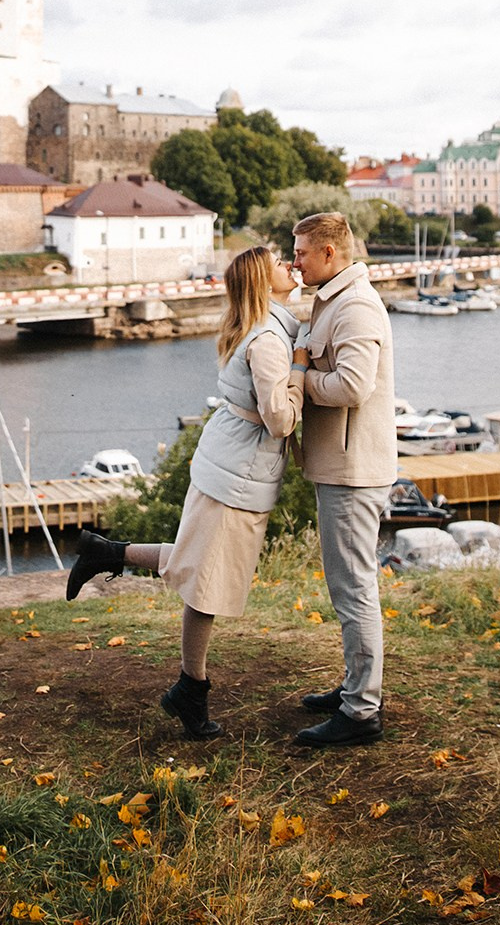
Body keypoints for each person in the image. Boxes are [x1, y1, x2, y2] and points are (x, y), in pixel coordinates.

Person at [65, 245, 308, 739]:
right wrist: (301, 371)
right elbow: (281, 419)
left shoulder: (264, 326)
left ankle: (105, 552)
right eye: (281, 261)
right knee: (207, 581)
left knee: (204, 563)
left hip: (228, 462)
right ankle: (189, 689)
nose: (290, 264)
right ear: (264, 280)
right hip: (237, 471)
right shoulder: (268, 340)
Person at [290, 211, 396, 748]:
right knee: (348, 585)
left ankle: (361, 712)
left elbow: (353, 386)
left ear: (329, 253)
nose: (295, 261)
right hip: (342, 464)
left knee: (354, 588)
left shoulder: (355, 305)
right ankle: (357, 685)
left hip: (353, 471)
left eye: (303, 252)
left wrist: (302, 379)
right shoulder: (335, 296)